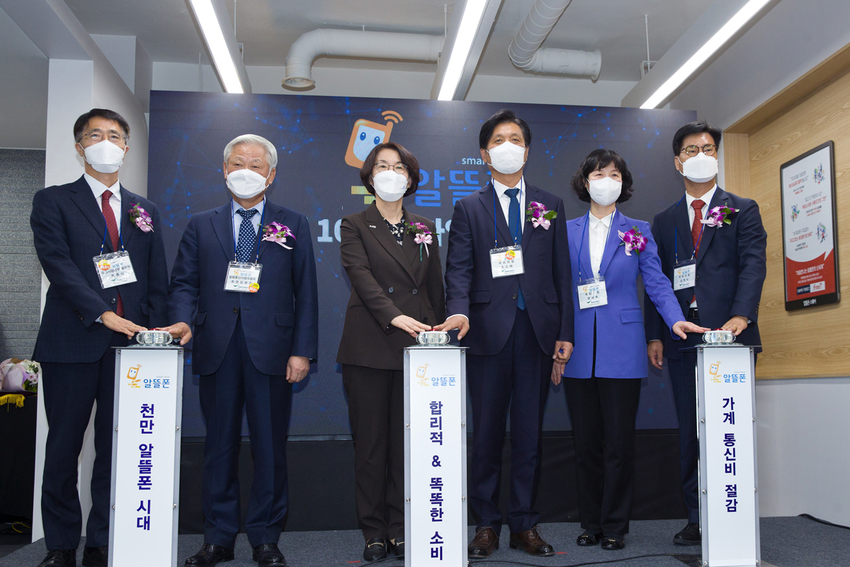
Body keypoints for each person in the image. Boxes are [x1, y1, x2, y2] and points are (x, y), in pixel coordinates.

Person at [162, 134, 319, 567]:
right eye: (237, 163)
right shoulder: (201, 223)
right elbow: (183, 283)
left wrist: (302, 350)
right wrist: (181, 320)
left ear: (271, 174)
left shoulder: (293, 222)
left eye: (255, 164)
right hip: (217, 347)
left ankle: (266, 538)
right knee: (219, 446)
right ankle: (218, 538)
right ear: (224, 170)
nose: (245, 170)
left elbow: (305, 291)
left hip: (273, 349)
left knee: (269, 447)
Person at [30, 108, 169, 567]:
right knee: (63, 448)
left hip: (131, 348)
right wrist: (101, 313)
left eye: (114, 135)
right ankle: (60, 545)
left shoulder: (144, 209)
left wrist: (158, 331)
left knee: (118, 448)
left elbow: (155, 277)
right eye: (95, 135)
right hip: (72, 340)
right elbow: (58, 266)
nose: (105, 142)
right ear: (79, 146)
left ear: (126, 147)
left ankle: (103, 540)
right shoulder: (53, 200)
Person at [435, 109, 574, 559]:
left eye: (516, 138)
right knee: (488, 434)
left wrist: (565, 332)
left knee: (530, 435)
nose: (508, 146)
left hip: (537, 333)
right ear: (484, 153)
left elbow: (562, 272)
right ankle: (486, 524)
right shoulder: (468, 207)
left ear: (527, 151)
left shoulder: (550, 204)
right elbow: (458, 270)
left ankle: (524, 524)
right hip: (486, 333)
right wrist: (458, 312)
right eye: (499, 140)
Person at [553, 149, 707, 551]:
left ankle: (615, 526)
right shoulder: (564, 230)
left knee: (619, 445)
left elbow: (656, 282)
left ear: (623, 183)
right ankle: (590, 523)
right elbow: (555, 289)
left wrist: (675, 320)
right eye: (598, 174)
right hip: (577, 350)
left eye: (614, 174)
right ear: (585, 182)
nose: (607, 181)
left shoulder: (638, 230)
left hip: (622, 348)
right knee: (586, 445)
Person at [644, 120, 767, 546]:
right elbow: (656, 280)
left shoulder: (742, 208)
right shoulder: (664, 219)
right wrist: (655, 334)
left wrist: (742, 316)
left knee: (730, 428)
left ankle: (735, 510)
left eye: (708, 148)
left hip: (731, 339)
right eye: (692, 150)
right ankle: (697, 516)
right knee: (691, 431)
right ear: (678, 162)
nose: (701, 156)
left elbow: (753, 264)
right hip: (684, 339)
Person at [336, 143, 446, 562]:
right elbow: (360, 277)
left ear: (411, 177)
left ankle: (400, 528)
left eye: (399, 167)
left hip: (417, 349)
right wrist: (394, 315)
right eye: (382, 166)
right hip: (370, 345)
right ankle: (374, 531)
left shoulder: (424, 226)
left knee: (406, 445)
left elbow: (433, 286)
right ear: (369, 176)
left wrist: (441, 332)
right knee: (370, 446)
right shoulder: (354, 224)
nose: (390, 172)